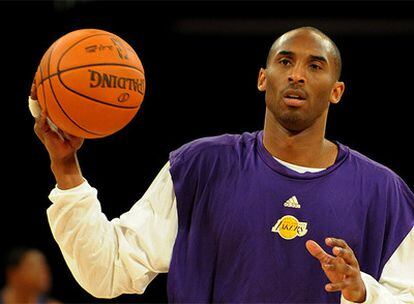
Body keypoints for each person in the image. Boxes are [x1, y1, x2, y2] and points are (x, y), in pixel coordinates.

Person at [32, 27, 414, 303]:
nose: (297, 74)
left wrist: (363, 292)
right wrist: (66, 168)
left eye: (315, 66)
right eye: (285, 61)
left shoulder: (385, 191)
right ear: (263, 79)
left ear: (336, 90)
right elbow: (111, 269)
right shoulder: (200, 166)